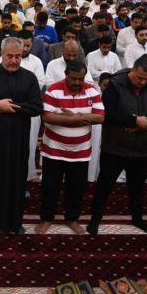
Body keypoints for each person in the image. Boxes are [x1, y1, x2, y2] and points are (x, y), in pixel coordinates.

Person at [0, 37, 43, 234]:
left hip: (17, 138)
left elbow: (36, 107)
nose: (13, 61)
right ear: (2, 54)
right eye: (9, 56)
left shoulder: (29, 77)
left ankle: (14, 222)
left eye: (18, 56)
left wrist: (12, 106)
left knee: (16, 178)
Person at [87, 55, 147, 236]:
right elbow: (108, 112)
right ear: (132, 70)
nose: (142, 82)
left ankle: (137, 219)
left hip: (142, 148)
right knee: (104, 187)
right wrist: (134, 121)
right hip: (115, 147)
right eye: (139, 78)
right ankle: (95, 220)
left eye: (146, 79)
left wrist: (146, 123)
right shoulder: (115, 85)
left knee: (137, 189)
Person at [37, 60, 104, 235]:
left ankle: (72, 218)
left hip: (80, 151)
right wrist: (80, 119)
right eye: (73, 78)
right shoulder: (53, 90)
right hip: (53, 150)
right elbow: (47, 117)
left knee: (77, 188)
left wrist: (73, 116)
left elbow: (100, 117)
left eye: (81, 78)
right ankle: (46, 218)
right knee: (50, 187)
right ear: (66, 75)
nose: (77, 82)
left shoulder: (92, 90)